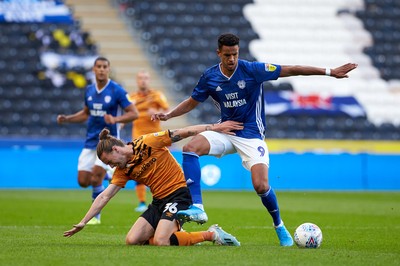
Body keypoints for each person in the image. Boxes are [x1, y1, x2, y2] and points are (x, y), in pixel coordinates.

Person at [152, 33, 358, 246]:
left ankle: (278, 225)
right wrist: (169, 115)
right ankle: (198, 207)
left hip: (251, 135)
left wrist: (329, 72)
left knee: (260, 186)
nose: (231, 59)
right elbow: (192, 101)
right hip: (226, 130)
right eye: (227, 55)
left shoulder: (252, 70)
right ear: (218, 53)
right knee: (190, 148)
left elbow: (292, 69)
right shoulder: (210, 76)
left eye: (235, 54)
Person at [63, 121, 243, 246]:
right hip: (159, 201)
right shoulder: (123, 170)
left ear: (116, 149)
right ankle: (177, 237)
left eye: (110, 161)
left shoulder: (148, 142)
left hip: (179, 194)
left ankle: (211, 234)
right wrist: (83, 222)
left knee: (161, 241)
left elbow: (183, 132)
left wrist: (214, 128)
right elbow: (105, 195)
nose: (111, 166)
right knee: (132, 240)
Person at [57, 56, 139, 225]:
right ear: (93, 69)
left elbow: (134, 113)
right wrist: (68, 118)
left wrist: (115, 120)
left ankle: (96, 216)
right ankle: (110, 173)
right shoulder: (89, 90)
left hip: (108, 143)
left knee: (95, 178)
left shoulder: (117, 90)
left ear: (108, 69)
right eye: (98, 66)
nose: (101, 69)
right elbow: (86, 113)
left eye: (104, 66)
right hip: (90, 141)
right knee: (83, 181)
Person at [128, 70, 169, 212]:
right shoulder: (131, 97)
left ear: (149, 80)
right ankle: (141, 202)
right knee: (138, 170)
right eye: (140, 78)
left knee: (157, 170)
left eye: (145, 78)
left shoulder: (157, 95)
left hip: (155, 137)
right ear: (137, 80)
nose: (143, 81)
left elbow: (167, 110)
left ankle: (161, 200)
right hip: (138, 138)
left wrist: (157, 113)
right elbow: (126, 113)